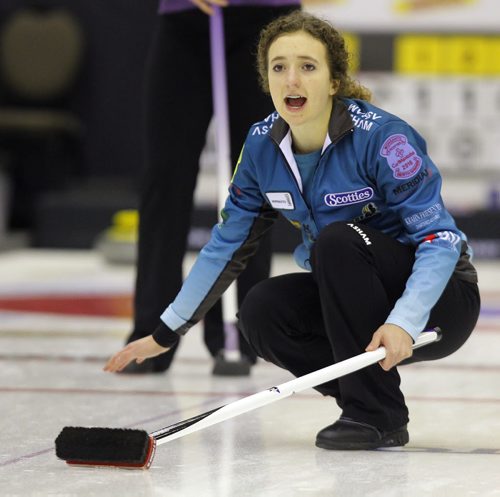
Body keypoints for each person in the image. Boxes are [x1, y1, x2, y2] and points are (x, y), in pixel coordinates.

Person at [106, 11, 480, 450]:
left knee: (337, 241)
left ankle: (371, 413)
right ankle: (375, 402)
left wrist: (404, 320)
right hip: (353, 295)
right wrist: (164, 332)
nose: (291, 80)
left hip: (440, 304)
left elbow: (441, 241)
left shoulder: (383, 139)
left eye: (308, 66)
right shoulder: (262, 147)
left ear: (334, 81)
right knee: (260, 311)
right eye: (278, 67)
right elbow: (227, 244)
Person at [124, 0, 300, 373]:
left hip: (265, 19)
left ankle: (239, 332)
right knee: (164, 176)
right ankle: (152, 330)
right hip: (185, 19)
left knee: (254, 174)